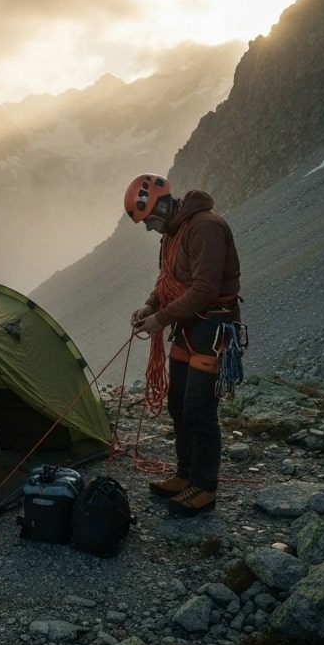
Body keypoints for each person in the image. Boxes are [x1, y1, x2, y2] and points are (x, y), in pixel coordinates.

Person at [125, 173, 242, 517]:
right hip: (189, 327)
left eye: (149, 221)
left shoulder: (204, 227)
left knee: (198, 409)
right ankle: (186, 474)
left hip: (214, 327)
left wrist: (159, 320)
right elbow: (168, 281)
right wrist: (151, 306)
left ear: (160, 205)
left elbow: (204, 289)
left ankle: (204, 487)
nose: (150, 229)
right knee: (178, 403)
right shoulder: (174, 232)